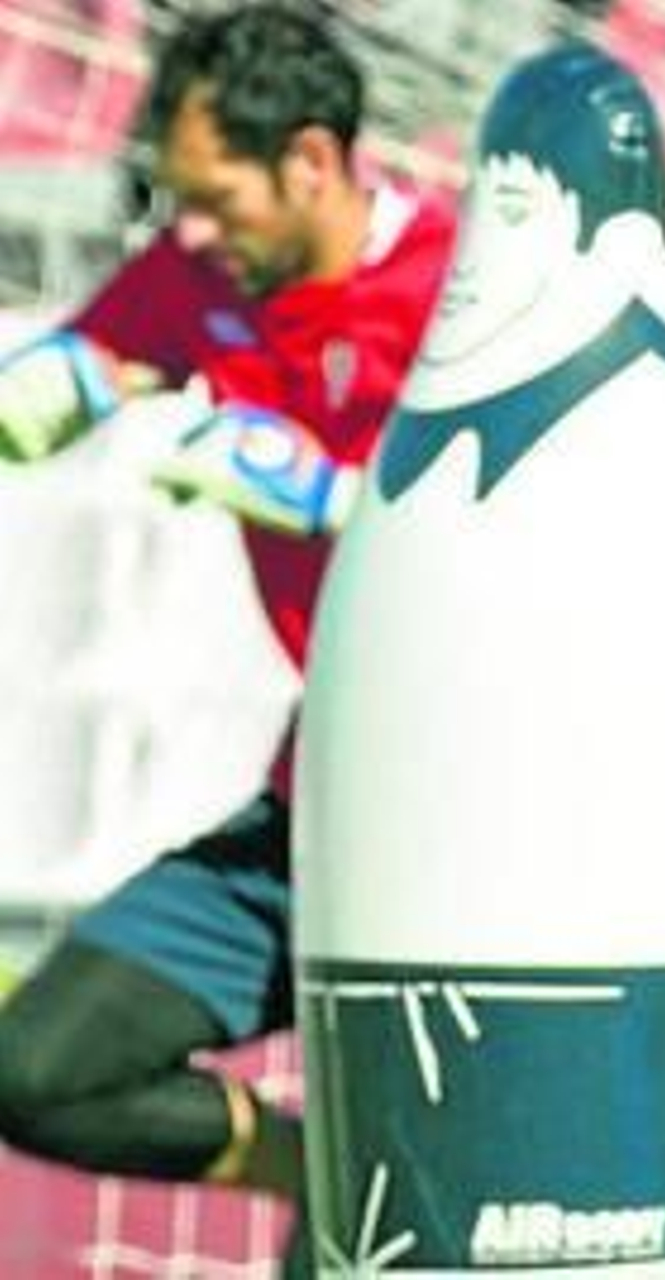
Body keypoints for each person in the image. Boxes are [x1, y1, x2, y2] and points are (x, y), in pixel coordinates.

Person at [0, 3, 453, 1270]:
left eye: (213, 198)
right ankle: (312, 1162)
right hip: (317, 802)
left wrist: (328, 494)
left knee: (428, 1195)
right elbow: (65, 376)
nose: (187, 232)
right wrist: (41, 394)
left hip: (479, 821)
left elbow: (541, 533)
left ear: (311, 160)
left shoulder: (466, 293)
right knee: (36, 1071)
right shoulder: (199, 278)